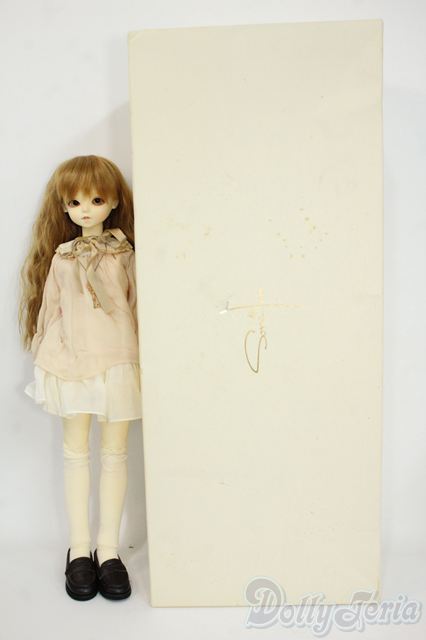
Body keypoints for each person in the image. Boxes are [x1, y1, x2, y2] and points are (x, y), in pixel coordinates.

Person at [18, 154, 141, 601]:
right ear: (64, 207)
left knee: (114, 455)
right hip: (72, 364)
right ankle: (79, 550)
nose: (85, 210)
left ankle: (109, 551)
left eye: (95, 200)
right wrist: (47, 356)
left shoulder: (126, 255)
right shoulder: (62, 259)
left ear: (114, 202)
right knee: (75, 454)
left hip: (118, 361)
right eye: (75, 202)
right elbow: (50, 313)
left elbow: (139, 309)